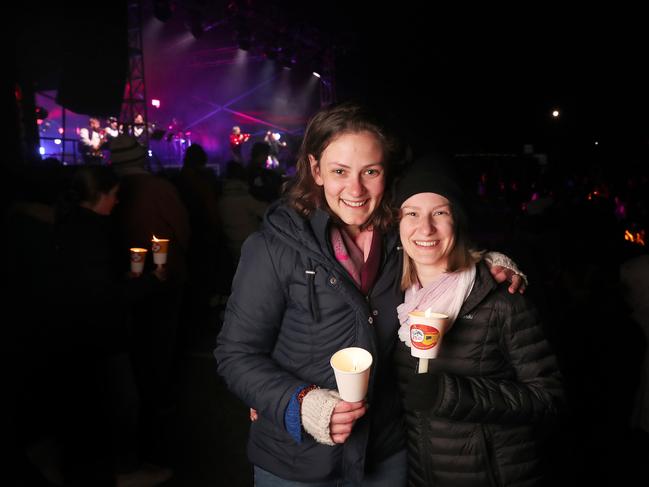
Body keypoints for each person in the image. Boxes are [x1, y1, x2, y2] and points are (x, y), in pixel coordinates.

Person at [214, 102, 526, 486]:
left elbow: (440, 245)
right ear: (315, 170)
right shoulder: (273, 248)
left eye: (371, 172)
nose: (356, 189)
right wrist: (297, 402)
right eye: (339, 171)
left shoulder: (402, 241)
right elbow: (235, 354)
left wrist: (485, 263)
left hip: (386, 452)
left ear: (387, 172)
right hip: (296, 462)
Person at [392, 155, 563, 487]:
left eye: (440, 213)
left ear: (457, 220)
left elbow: (548, 398)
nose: (425, 228)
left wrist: (451, 394)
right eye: (411, 213)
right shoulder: (397, 299)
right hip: (421, 476)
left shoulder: (499, 297)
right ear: (398, 224)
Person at [50, 165, 172, 486]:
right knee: (122, 402)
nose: (117, 202)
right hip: (100, 333)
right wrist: (150, 282)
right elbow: (103, 295)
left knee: (90, 403)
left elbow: (90, 283)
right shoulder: (92, 234)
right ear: (99, 195)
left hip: (72, 330)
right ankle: (123, 471)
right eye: (114, 195)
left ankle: (91, 467)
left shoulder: (67, 225)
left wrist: (125, 277)